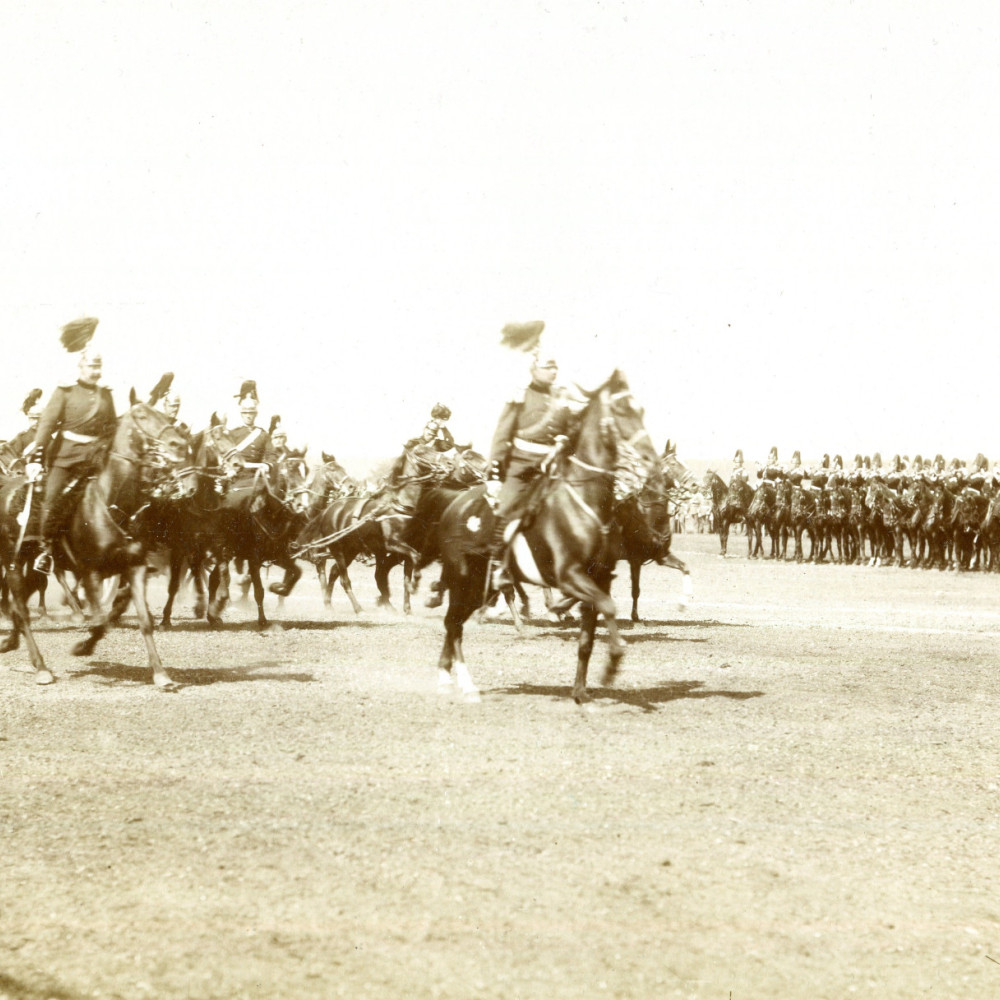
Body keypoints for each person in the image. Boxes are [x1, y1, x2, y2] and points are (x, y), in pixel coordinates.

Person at [26, 349, 117, 573]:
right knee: (52, 499)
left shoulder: (106, 394)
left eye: (98, 367)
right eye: (91, 367)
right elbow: (47, 424)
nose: (96, 372)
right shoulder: (65, 391)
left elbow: (112, 426)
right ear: (81, 368)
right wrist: (38, 454)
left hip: (97, 459)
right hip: (65, 457)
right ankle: (45, 551)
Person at [486, 354, 572, 590]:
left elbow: (569, 428)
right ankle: (498, 566)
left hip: (554, 466)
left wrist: (564, 439)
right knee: (506, 510)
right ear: (534, 370)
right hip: (521, 467)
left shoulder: (562, 395)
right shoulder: (519, 395)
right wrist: (495, 473)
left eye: (555, 366)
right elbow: (502, 434)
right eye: (548, 367)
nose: (553, 371)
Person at [6, 389, 44, 468]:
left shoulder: (48, 438)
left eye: (38, 419)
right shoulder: (22, 437)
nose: (36, 422)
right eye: (33, 419)